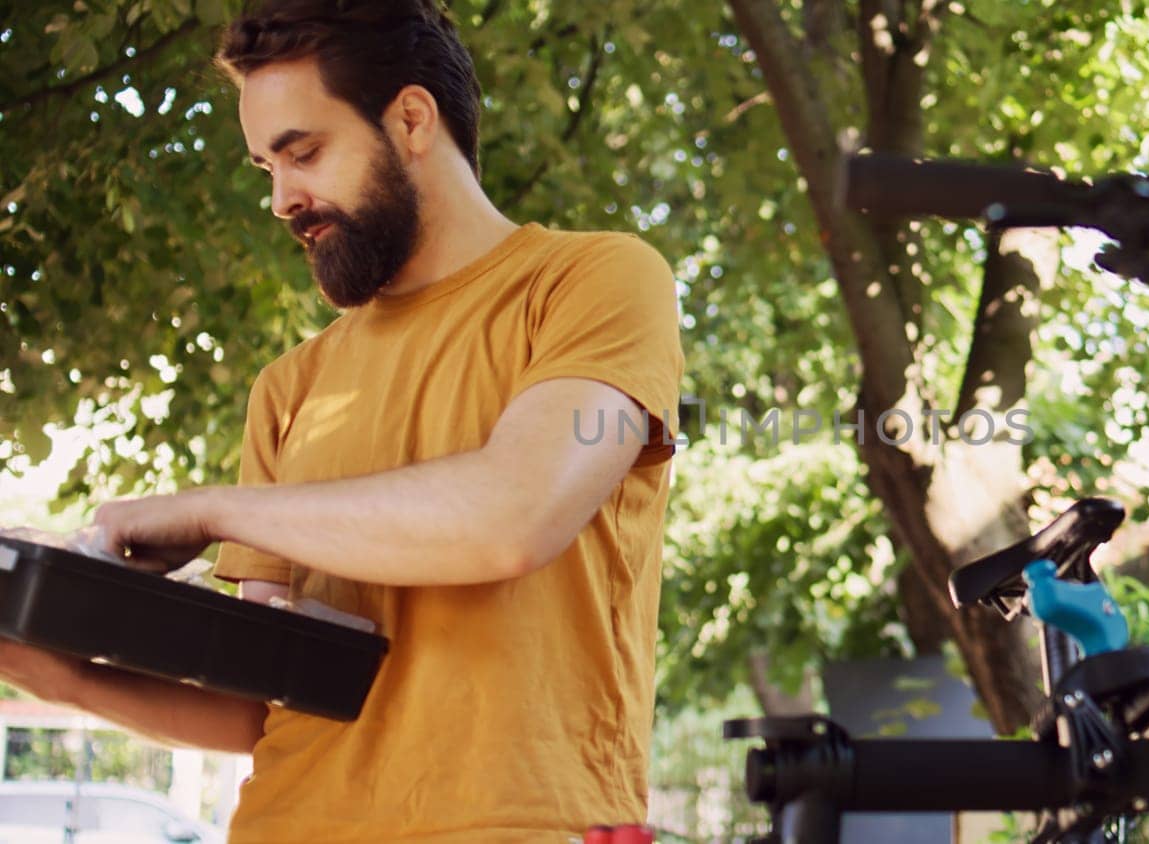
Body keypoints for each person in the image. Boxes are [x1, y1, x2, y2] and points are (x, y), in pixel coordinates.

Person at [0, 1, 684, 840]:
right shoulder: (290, 386)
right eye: (265, 169)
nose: (282, 199)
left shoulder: (596, 281)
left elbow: (518, 514)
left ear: (409, 119)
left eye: (304, 153)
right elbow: (258, 706)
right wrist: (59, 675)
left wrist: (212, 510)